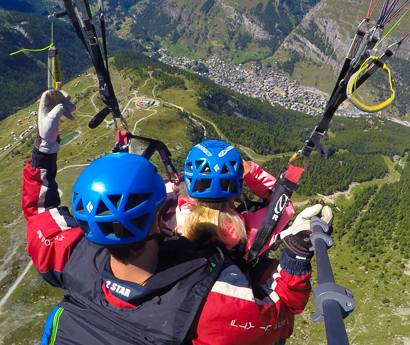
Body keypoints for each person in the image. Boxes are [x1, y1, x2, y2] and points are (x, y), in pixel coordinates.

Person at [24, 91, 332, 345]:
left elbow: (39, 214)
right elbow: (280, 316)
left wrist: (44, 146)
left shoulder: (72, 254)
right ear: (160, 218)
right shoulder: (211, 301)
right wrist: (295, 256)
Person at [172, 139, 294, 257]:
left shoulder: (173, 215)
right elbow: (283, 204)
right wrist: (251, 173)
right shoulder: (245, 232)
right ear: (236, 185)